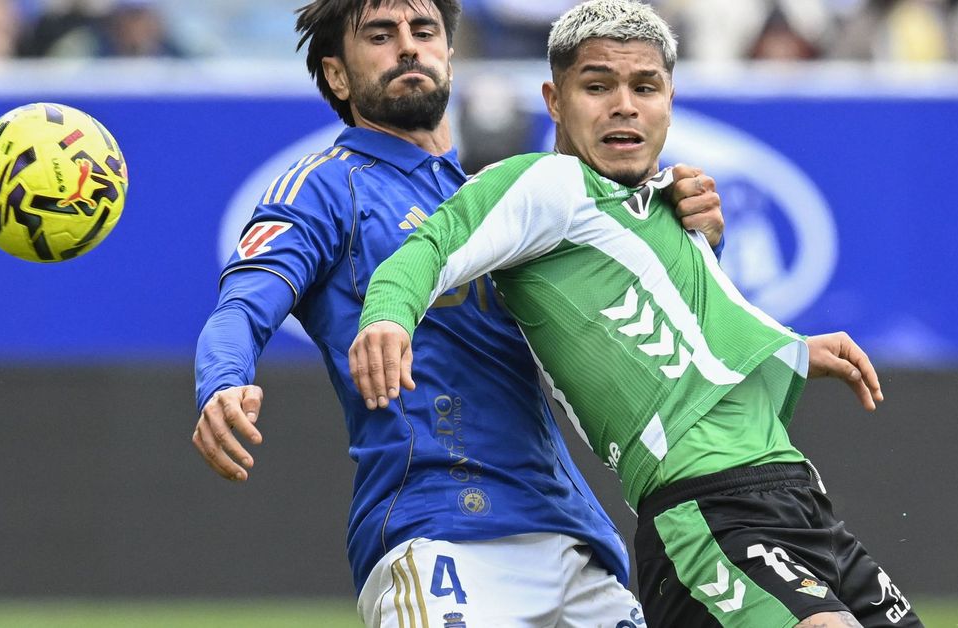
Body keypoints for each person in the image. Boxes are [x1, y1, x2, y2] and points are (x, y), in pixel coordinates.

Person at [349, 1, 923, 626]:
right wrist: (387, 317)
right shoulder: (547, 186)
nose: (624, 105)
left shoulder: (665, 206)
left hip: (797, 499)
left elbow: (683, 332)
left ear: (670, 101)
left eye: (645, 87)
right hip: (704, 513)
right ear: (554, 100)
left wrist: (792, 347)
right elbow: (430, 246)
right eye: (598, 86)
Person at [191, 0, 724, 625]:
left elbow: (647, 330)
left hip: (575, 543)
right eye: (380, 36)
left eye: (424, 31)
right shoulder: (325, 187)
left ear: (449, 53)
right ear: (337, 75)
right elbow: (241, 305)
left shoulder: (504, 198)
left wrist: (698, 242)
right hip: (441, 534)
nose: (408, 47)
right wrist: (222, 382)